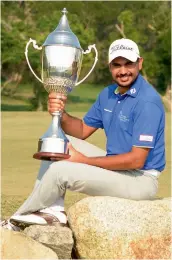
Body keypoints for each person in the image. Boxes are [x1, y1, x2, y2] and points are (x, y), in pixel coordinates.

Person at [1, 38, 165, 230]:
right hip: (118, 169)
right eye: (117, 65)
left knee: (61, 171)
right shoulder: (109, 94)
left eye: (129, 64)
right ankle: (53, 210)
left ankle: (16, 220)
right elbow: (81, 130)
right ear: (109, 66)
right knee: (59, 143)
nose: (123, 71)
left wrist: (83, 160)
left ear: (140, 63)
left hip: (140, 180)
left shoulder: (147, 102)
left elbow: (136, 160)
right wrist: (61, 114)